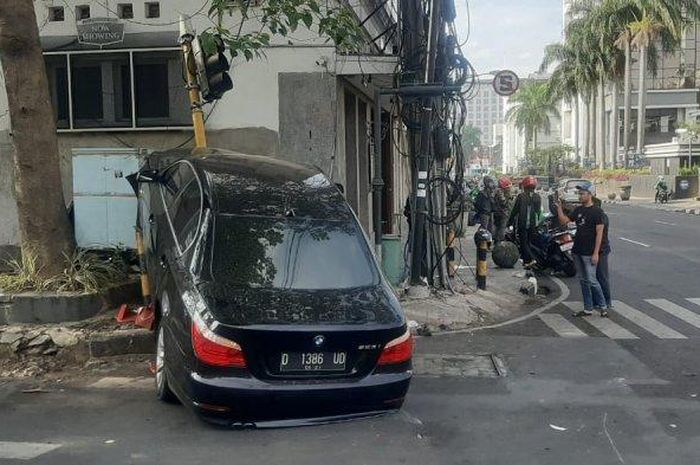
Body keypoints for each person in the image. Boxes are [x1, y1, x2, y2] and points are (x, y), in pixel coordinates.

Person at [555, 181, 608, 317]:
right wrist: (559, 208)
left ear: (590, 195)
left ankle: (603, 306)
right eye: (579, 193)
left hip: (589, 252)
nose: (580, 196)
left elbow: (600, 234)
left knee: (592, 280)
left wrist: (596, 253)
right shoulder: (578, 210)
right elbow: (564, 221)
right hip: (577, 250)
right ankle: (588, 308)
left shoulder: (597, 212)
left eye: (582, 193)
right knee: (583, 281)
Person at [507, 175, 541, 269]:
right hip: (533, 224)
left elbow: (515, 210)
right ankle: (528, 260)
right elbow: (538, 211)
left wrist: (509, 222)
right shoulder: (537, 197)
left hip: (522, 223)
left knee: (523, 242)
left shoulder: (521, 196)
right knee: (529, 242)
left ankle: (529, 260)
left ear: (524, 186)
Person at [493, 176, 514, 243]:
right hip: (502, 213)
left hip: (498, 213)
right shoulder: (500, 191)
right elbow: (503, 202)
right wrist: (508, 197)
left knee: (498, 228)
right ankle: (499, 242)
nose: (509, 188)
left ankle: (497, 241)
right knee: (501, 228)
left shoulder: (497, 190)